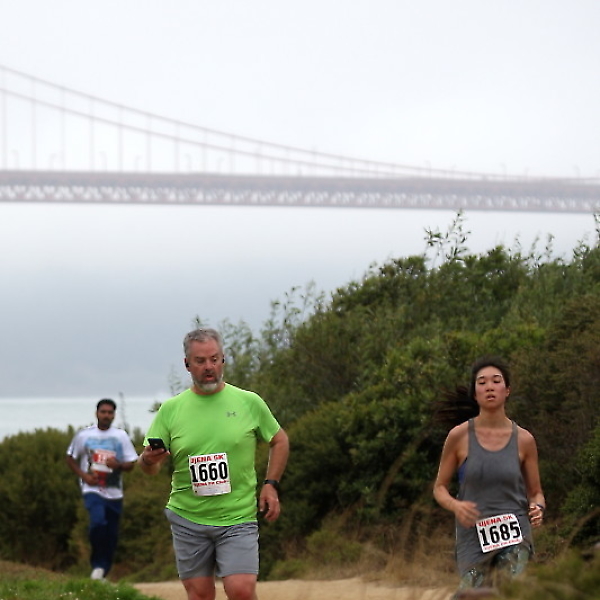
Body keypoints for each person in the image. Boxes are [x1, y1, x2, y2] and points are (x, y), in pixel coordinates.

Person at [139, 327, 289, 600]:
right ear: (187, 364)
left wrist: (271, 484)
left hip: (237, 516)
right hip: (188, 517)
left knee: (241, 590)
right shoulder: (171, 410)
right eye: (200, 361)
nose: (209, 367)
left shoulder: (248, 402)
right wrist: (148, 460)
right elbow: (150, 467)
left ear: (223, 360)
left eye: (214, 359)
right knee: (200, 595)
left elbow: (279, 440)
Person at [433, 356, 545, 596]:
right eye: (482, 383)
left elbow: (536, 492)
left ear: (507, 390)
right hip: (473, 533)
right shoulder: (459, 436)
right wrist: (456, 506)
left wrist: (538, 508)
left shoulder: (524, 439)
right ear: (475, 394)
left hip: (515, 531)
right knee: (471, 594)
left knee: (510, 592)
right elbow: (439, 488)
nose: (489, 387)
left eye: (496, 381)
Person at [66, 398, 138, 580]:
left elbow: (131, 463)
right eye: (103, 412)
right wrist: (84, 476)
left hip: (115, 492)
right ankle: (97, 565)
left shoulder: (121, 436)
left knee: (111, 534)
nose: (106, 416)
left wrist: (118, 465)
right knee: (97, 523)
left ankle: (102, 571)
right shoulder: (84, 435)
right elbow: (70, 457)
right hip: (92, 489)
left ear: (114, 415)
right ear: (96, 413)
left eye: (110, 413)